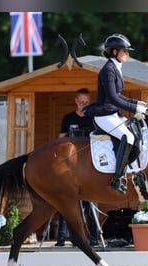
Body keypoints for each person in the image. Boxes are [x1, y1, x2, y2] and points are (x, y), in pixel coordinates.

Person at [83, 34, 148, 194]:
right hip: (104, 115)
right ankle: (117, 179)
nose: (127, 53)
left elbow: (118, 96)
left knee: (136, 132)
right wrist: (135, 108)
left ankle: (134, 170)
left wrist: (137, 104)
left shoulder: (115, 67)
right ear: (114, 51)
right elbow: (113, 98)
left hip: (113, 113)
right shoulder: (108, 70)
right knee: (129, 138)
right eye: (125, 51)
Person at [55, 88, 100, 246]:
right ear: (76, 101)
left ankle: (94, 237)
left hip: (88, 165)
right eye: (81, 102)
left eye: (86, 103)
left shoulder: (93, 118)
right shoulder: (68, 118)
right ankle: (61, 237)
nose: (83, 105)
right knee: (65, 200)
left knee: (91, 200)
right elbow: (59, 140)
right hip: (70, 166)